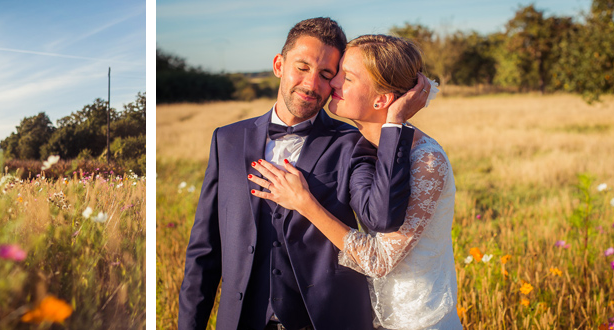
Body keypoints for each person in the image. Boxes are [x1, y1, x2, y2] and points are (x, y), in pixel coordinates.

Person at [178, 18, 430, 330]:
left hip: (327, 320)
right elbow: (204, 250)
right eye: (302, 67)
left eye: (326, 75)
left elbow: (382, 218)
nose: (311, 84)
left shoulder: (351, 143)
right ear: (278, 64)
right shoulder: (226, 139)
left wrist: (394, 121)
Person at [249, 34, 461, 329]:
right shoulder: (364, 146)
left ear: (382, 100)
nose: (332, 83)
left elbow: (379, 260)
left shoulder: (427, 162)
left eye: (346, 78)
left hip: (415, 321)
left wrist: (305, 203)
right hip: (367, 316)